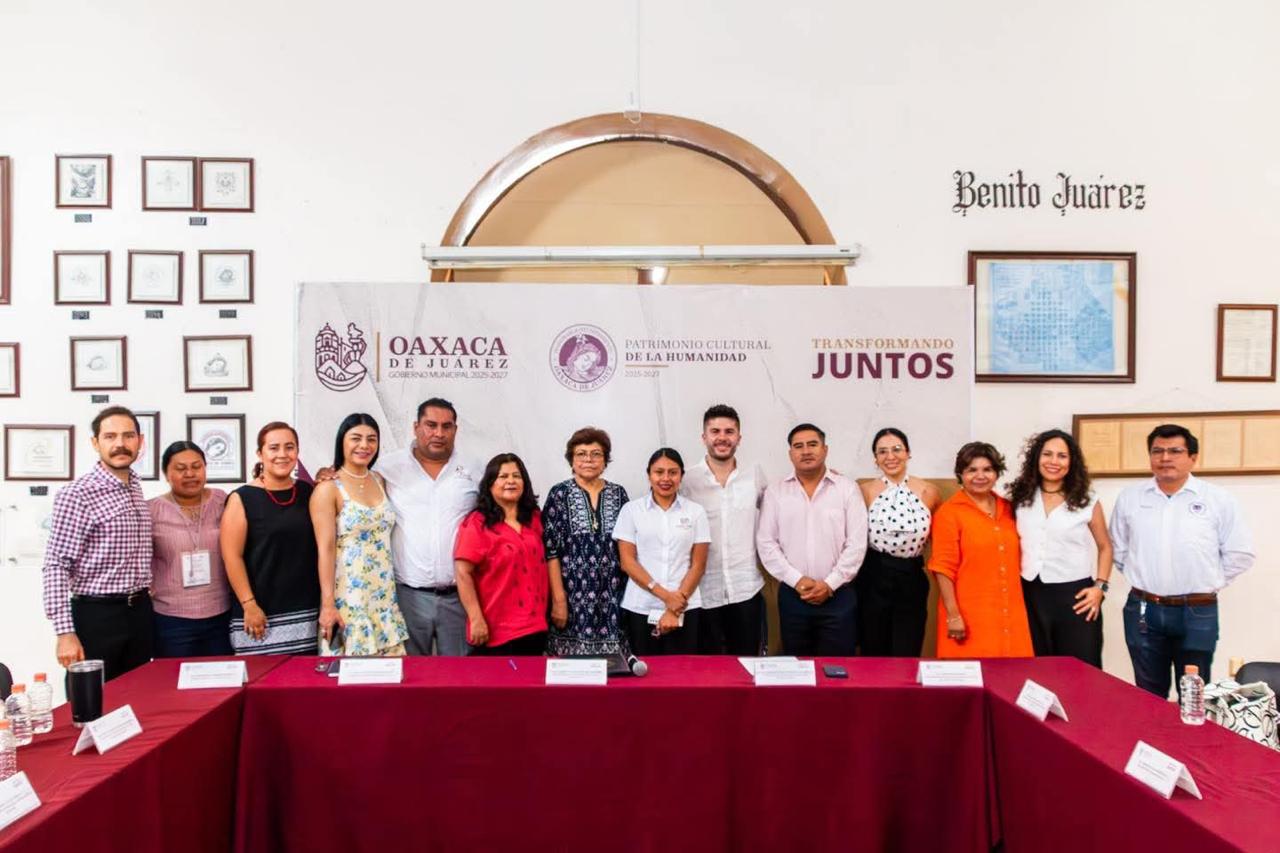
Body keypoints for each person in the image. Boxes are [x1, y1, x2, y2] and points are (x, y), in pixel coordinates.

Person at [1109, 424, 1255, 696]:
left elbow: (1240, 553)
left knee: (1194, 694)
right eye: (1157, 451)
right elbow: (1118, 549)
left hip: (1197, 610)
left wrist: (1209, 581)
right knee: (1147, 692)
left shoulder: (1217, 499)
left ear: (1193, 457)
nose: (1165, 458)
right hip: (1143, 608)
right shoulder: (1130, 498)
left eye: (1175, 451)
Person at [42, 406, 153, 680]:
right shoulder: (77, 494)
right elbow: (56, 564)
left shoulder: (135, 487)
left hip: (139, 612)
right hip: (96, 616)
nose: (120, 444)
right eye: (110, 436)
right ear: (95, 443)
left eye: (128, 436)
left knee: (139, 695)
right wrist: (65, 633)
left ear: (140, 441)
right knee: (92, 698)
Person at [375, 398, 479, 656]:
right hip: (407, 597)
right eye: (431, 425)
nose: (439, 433)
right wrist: (329, 474)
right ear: (416, 427)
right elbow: (355, 486)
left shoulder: (475, 469)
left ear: (455, 430)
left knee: (458, 675)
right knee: (409, 673)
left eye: (447, 426)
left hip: (460, 598)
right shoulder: (388, 467)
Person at [756, 423, 867, 656]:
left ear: (825, 449)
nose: (806, 451)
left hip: (839, 595)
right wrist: (797, 580)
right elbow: (766, 543)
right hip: (793, 595)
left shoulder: (847, 489)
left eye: (813, 444)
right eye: (798, 446)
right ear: (790, 454)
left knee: (838, 669)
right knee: (798, 668)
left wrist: (830, 584)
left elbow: (856, 544)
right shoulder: (776, 492)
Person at [1007, 429, 1113, 667]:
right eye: (1047, 454)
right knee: (1037, 667)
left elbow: (1105, 546)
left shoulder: (1087, 499)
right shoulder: (1020, 497)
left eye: (1062, 456)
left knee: (1081, 668)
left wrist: (1100, 587)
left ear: (1071, 462)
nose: (1053, 461)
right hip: (1030, 594)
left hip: (1075, 596)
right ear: (1037, 457)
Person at [311, 414, 408, 657]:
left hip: (383, 596)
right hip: (349, 598)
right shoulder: (328, 488)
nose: (364, 445)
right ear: (342, 442)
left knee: (390, 673)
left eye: (371, 439)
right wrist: (328, 604)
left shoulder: (379, 480)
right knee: (352, 675)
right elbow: (325, 549)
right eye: (356, 438)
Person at [220, 422, 320, 654]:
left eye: (289, 447)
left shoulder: (309, 492)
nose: (282, 454)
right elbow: (232, 557)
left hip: (307, 613)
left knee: (306, 676)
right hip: (259, 614)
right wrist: (249, 604)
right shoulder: (241, 498)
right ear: (260, 453)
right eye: (274, 448)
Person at [929, 442, 1033, 658]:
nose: (980, 476)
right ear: (961, 474)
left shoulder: (1009, 509)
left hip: (1010, 615)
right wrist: (953, 615)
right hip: (969, 616)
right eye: (972, 470)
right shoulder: (949, 513)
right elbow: (942, 568)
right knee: (971, 674)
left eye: (987, 469)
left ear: (997, 473)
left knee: (1013, 673)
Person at [680, 404, 767, 655]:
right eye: (715, 431)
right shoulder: (687, 480)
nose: (722, 437)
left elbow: (778, 509)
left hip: (746, 588)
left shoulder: (754, 475)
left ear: (739, 437)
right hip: (703, 592)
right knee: (709, 669)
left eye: (729, 431)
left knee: (748, 664)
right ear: (704, 437)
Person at [542, 427, 631, 656]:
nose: (588, 460)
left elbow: (628, 547)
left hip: (613, 594)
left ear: (605, 460)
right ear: (571, 460)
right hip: (572, 596)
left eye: (596, 454)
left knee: (615, 667)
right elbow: (550, 552)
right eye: (581, 454)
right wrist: (558, 599)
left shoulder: (618, 494)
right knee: (572, 668)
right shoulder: (559, 494)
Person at [614, 448, 710, 655]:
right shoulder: (631, 510)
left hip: (686, 605)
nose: (666, 478)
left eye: (673, 472)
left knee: (683, 669)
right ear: (649, 475)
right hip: (641, 605)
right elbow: (627, 562)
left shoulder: (696, 512)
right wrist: (666, 597)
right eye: (659, 472)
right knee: (646, 670)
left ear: (681, 476)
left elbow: (698, 565)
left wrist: (676, 604)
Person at [856, 428, 941, 657]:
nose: (890, 456)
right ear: (875, 458)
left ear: (908, 453)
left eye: (896, 449)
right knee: (873, 648)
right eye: (882, 451)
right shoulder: (864, 491)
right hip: (874, 576)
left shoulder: (929, 491)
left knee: (908, 647)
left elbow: (941, 540)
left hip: (912, 576)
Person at [453, 454, 550, 655]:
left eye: (516, 476)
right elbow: (463, 573)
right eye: (503, 476)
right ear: (490, 484)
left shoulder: (534, 518)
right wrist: (476, 618)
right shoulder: (477, 523)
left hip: (536, 625)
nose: (511, 481)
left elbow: (549, 561)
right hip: (495, 628)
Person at [149, 441, 232, 657]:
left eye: (196, 466)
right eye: (180, 468)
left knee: (222, 676)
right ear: (166, 474)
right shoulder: (151, 511)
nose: (190, 474)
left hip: (221, 615)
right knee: (174, 677)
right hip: (171, 620)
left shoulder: (223, 501)